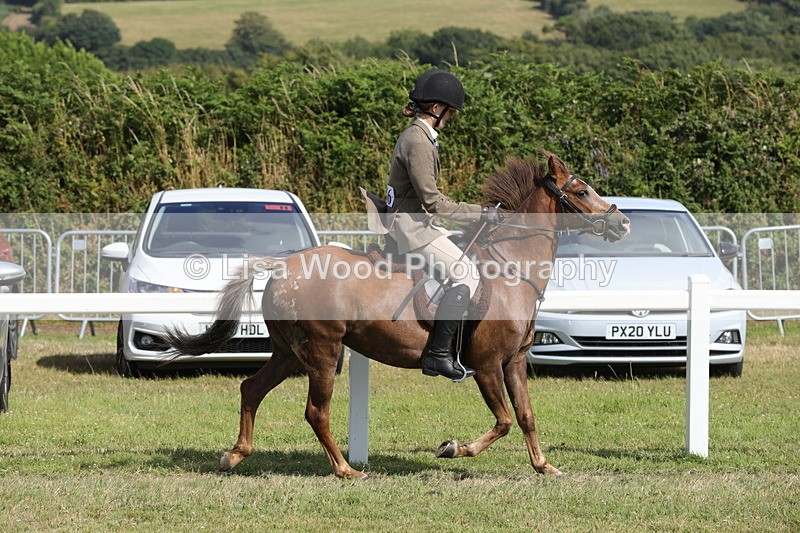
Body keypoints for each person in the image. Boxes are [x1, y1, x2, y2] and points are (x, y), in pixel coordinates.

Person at [384, 68, 501, 381]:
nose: (451, 118)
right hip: (413, 229)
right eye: (450, 113)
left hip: (418, 222)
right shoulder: (419, 142)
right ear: (436, 109)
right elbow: (433, 200)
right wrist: (480, 213)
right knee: (466, 273)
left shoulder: (418, 135)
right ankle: (438, 356)